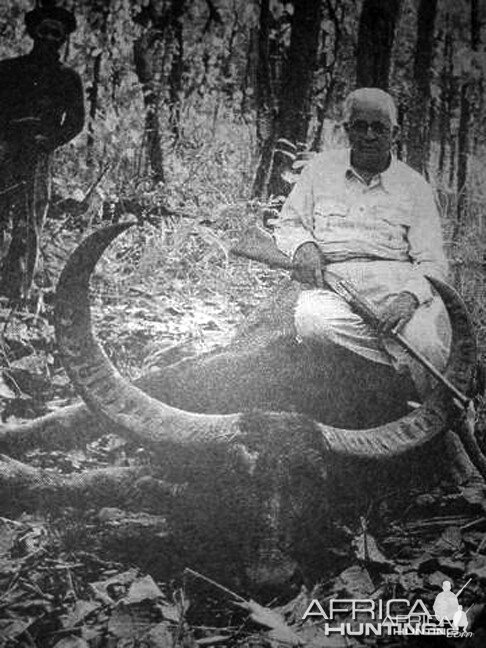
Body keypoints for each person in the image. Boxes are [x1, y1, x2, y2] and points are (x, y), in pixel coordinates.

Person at [273, 87, 451, 398]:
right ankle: (397, 368)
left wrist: (409, 298)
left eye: (379, 128)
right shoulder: (319, 171)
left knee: (426, 346)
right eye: (360, 126)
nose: (369, 135)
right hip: (333, 286)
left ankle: (439, 418)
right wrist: (305, 247)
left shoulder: (414, 186)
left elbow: (433, 261)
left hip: (397, 291)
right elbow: (289, 223)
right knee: (313, 323)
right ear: (346, 129)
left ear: (394, 133)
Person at [0, 2, 85, 300]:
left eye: (56, 33)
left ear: (63, 39)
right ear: (33, 32)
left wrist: (47, 141)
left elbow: (76, 122)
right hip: (5, 152)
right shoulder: (9, 70)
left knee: (30, 221)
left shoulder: (68, 78)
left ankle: (17, 291)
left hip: (37, 155)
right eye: (44, 31)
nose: (49, 38)